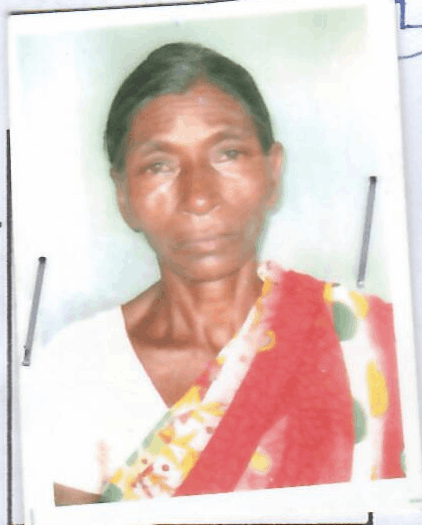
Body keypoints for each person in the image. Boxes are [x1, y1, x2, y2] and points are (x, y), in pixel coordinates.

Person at [27, 42, 404, 507]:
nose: (199, 197)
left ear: (273, 172)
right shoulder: (79, 366)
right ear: (123, 195)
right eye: (159, 165)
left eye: (228, 154)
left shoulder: (371, 343)